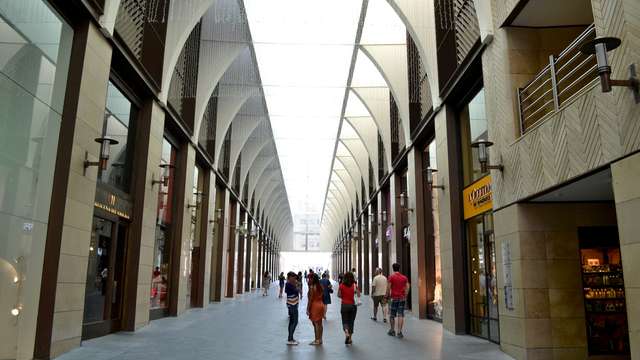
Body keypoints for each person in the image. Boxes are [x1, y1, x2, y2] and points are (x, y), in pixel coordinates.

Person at [387, 263, 410, 338]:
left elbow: (388, 288)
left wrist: (387, 295)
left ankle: (392, 330)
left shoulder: (391, 277)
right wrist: (405, 295)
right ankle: (399, 332)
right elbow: (408, 286)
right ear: (399, 268)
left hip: (394, 298)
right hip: (402, 298)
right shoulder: (404, 277)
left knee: (392, 315)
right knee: (400, 314)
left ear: (393, 268)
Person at [338, 271, 360, 345]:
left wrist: (344, 296)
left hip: (344, 305)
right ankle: (350, 338)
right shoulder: (354, 285)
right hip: (353, 305)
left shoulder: (341, 285)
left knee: (345, 321)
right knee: (351, 322)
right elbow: (359, 294)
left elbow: (339, 295)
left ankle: (346, 333)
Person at [306, 273, 324, 345]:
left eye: (309, 278)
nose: (308, 280)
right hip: (321, 304)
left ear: (313, 279)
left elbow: (310, 299)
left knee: (315, 324)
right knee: (320, 323)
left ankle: (317, 340)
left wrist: (307, 309)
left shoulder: (312, 287)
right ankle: (320, 339)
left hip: (315, 306)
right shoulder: (320, 286)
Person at [284, 272, 300, 345]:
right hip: (292, 304)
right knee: (295, 321)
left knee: (292, 321)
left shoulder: (290, 284)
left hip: (293, 304)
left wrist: (296, 286)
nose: (294, 279)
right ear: (290, 277)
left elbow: (297, 291)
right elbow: (296, 291)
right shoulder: (288, 284)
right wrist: (296, 286)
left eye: (295, 277)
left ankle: (290, 338)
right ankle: (290, 339)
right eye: (293, 277)